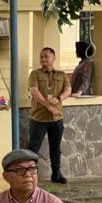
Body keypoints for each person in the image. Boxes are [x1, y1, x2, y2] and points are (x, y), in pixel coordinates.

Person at [27, 47, 71, 184]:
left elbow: (68, 89)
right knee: (33, 148)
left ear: (54, 58)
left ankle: (56, 174)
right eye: (41, 57)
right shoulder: (35, 74)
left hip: (56, 118)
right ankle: (29, 175)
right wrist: (48, 107)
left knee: (55, 148)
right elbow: (34, 91)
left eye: (46, 56)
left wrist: (58, 99)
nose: (43, 59)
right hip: (39, 118)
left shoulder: (61, 75)